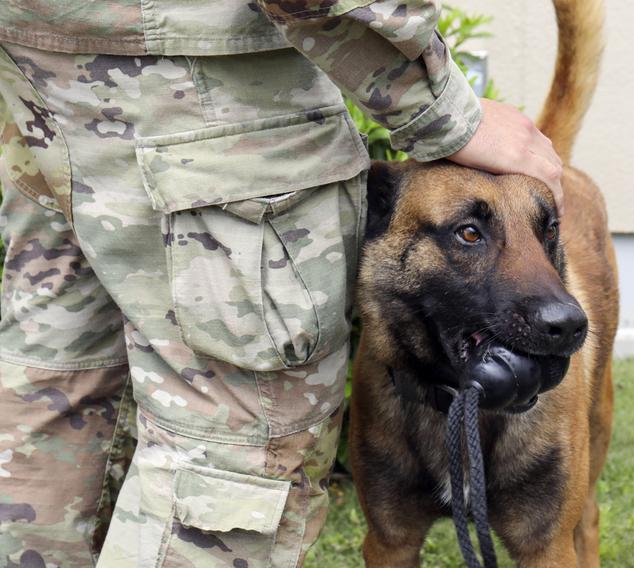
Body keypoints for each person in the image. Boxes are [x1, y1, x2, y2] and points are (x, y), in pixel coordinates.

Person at [0, 1, 563, 565]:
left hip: (41, 69)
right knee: (236, 465)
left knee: (59, 404)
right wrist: (441, 105)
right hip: (201, 88)